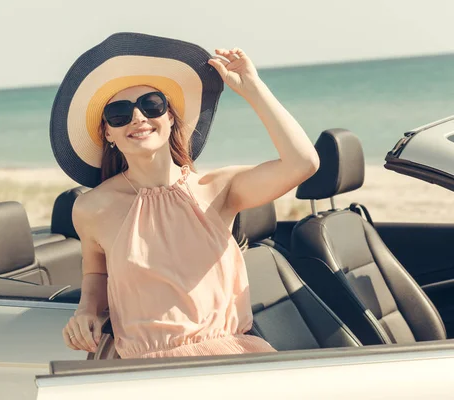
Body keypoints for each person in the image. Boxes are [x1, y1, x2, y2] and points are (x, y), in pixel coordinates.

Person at [50, 33, 320, 359]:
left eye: (151, 105)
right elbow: (96, 273)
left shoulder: (216, 188)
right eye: (120, 113)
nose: (138, 118)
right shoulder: (92, 207)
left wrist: (252, 88)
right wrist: (86, 312)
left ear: (170, 117)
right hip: (146, 372)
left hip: (229, 360)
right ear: (108, 132)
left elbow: (303, 162)